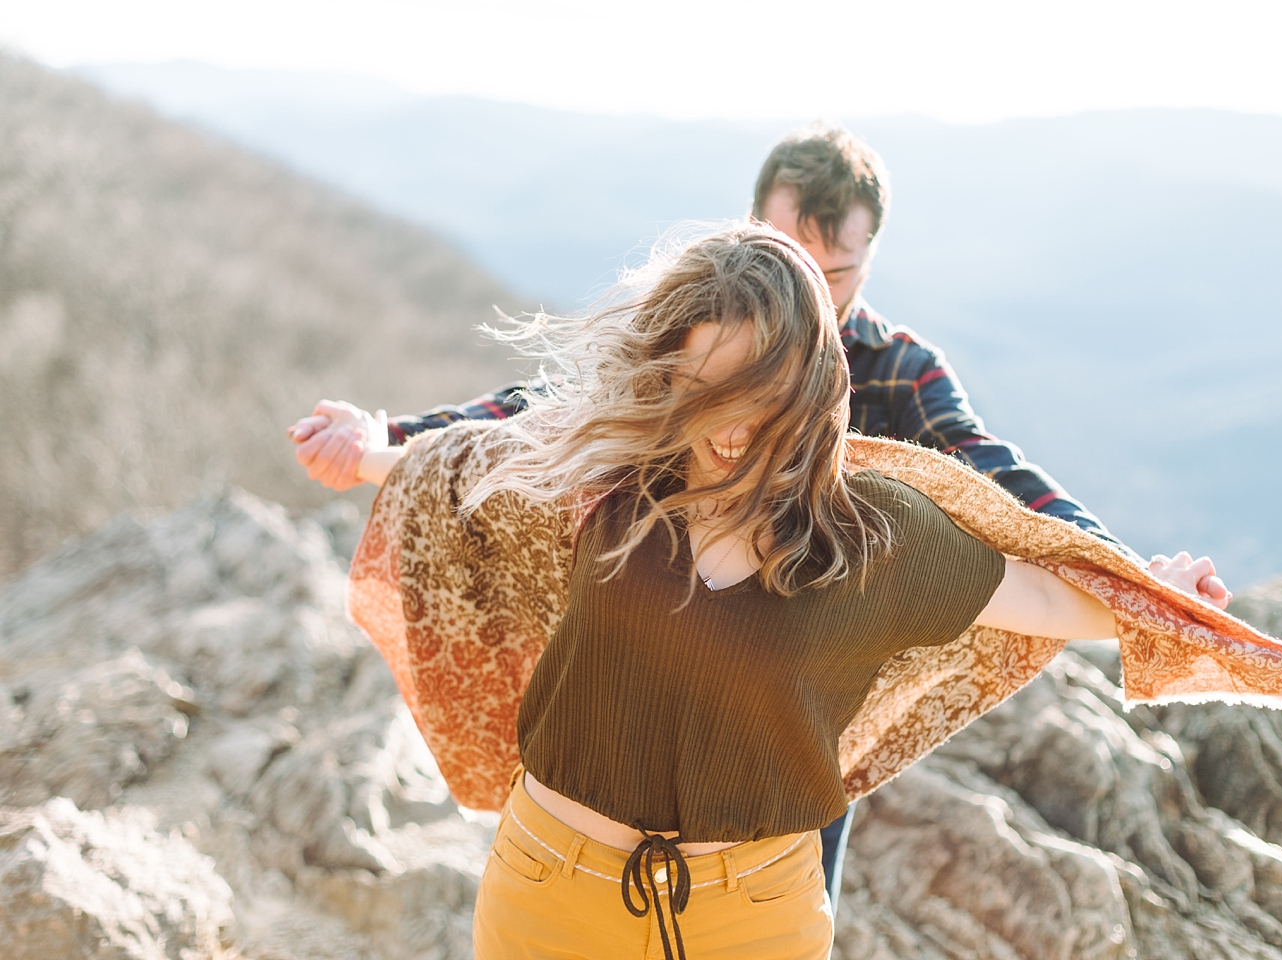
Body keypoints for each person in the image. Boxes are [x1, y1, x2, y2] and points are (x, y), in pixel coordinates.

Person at [289, 124, 1230, 908]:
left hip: (795, 732)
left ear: (871, 255)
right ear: (753, 231)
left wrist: (1134, 580)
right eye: (799, 259)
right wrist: (391, 438)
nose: (818, 290)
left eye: (844, 268)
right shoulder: (707, 327)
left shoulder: (897, 368)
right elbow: (547, 421)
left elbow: (998, 480)